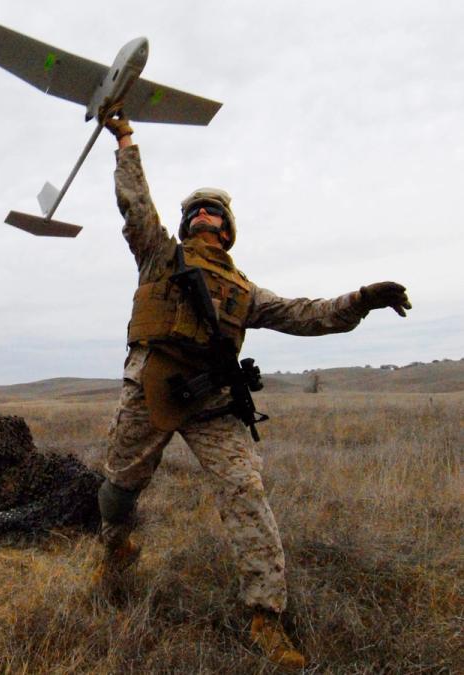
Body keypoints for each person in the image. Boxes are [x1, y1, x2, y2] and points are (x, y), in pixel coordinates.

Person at [96, 110, 411, 669]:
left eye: (213, 211)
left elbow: (307, 314)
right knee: (120, 486)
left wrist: (362, 298)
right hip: (150, 389)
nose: (204, 216)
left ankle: (266, 615)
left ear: (227, 228)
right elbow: (137, 206)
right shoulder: (159, 257)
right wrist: (125, 141)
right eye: (196, 210)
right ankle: (114, 548)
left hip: (213, 403)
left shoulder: (247, 293)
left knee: (246, 492)